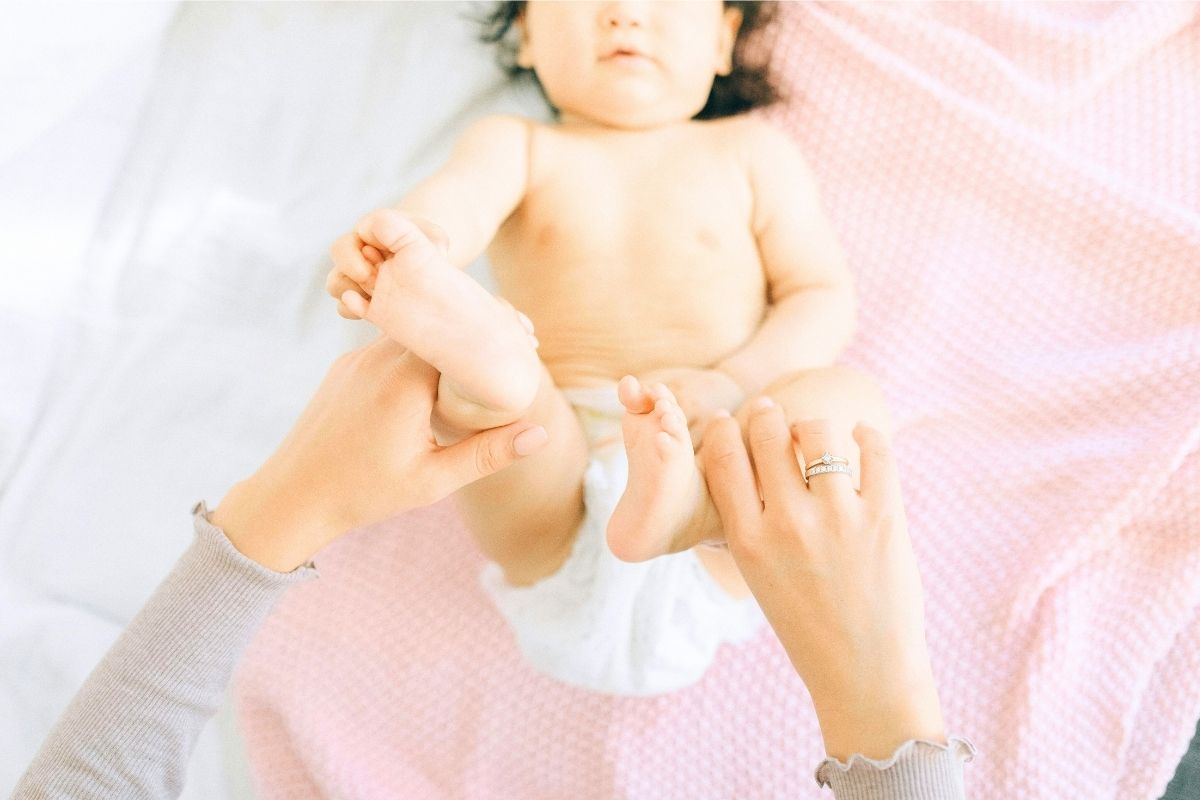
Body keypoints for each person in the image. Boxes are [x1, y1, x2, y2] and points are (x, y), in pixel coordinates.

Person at [10, 322, 973, 800]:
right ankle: (540, 405)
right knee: (835, 403)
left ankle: (499, 376)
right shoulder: (531, 144)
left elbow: (89, 779)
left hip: (631, 488)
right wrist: (885, 705)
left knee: (512, 412)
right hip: (643, 493)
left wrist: (285, 507)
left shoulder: (741, 157)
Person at [324, 0, 880, 697]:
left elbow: (820, 294)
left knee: (839, 398)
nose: (625, 14)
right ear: (526, 32)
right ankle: (484, 360)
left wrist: (736, 383)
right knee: (501, 392)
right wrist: (418, 245)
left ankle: (681, 501)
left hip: (725, 481)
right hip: (555, 459)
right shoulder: (521, 145)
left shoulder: (750, 151)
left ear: (723, 37)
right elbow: (460, 200)